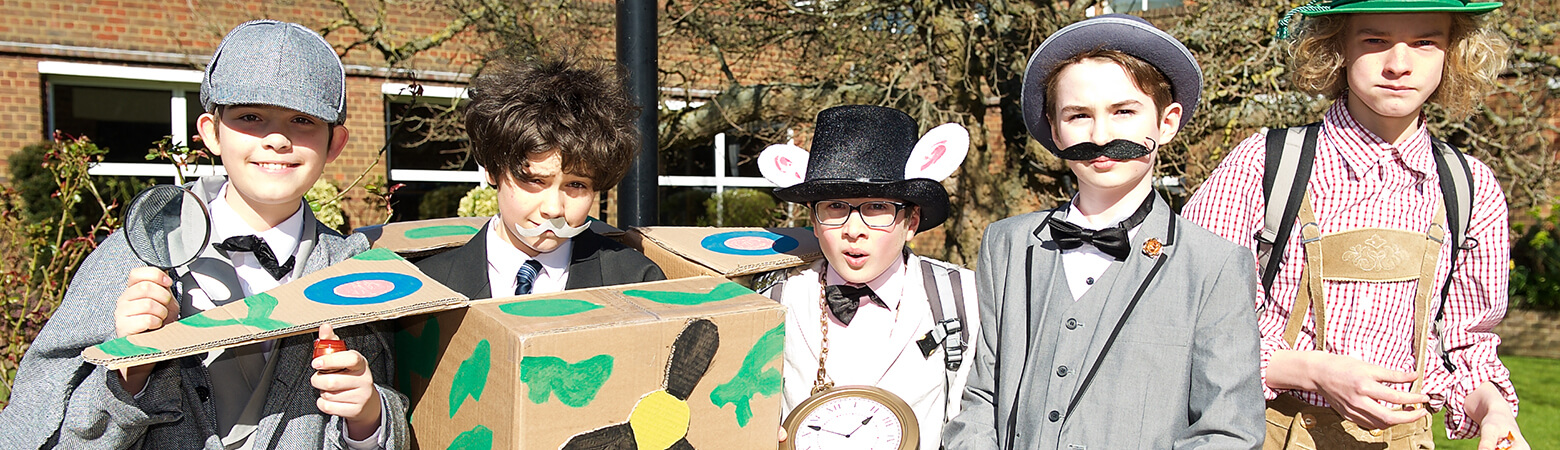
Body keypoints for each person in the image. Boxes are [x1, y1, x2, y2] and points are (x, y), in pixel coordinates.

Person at [0, 20, 406, 448]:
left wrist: (368, 420)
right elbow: (45, 429)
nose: (276, 139)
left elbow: (396, 412)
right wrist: (129, 374)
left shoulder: (354, 271)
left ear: (335, 143)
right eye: (250, 117)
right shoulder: (133, 257)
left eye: (302, 120)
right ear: (212, 132)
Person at [1182, 0, 1524, 448]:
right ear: (1336, 45)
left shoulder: (1469, 187)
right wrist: (1312, 371)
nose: (1398, 64)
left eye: (1425, 41)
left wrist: (1496, 411)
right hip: (1268, 433)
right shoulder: (1264, 165)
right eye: (1375, 40)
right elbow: (1192, 320)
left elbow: (1466, 345)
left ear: (1453, 51)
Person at [942, 14, 1264, 449]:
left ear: (1167, 122)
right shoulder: (1007, 244)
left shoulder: (1214, 265)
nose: (1099, 135)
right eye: (1078, 115)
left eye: (1124, 112)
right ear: (1054, 130)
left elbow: (1227, 431)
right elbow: (982, 397)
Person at [757, 104, 979, 450]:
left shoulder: (959, 296)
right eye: (835, 207)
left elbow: (979, 415)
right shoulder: (777, 300)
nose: (853, 230)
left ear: (911, 222)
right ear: (813, 220)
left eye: (877, 208)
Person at [415, 54, 664, 297]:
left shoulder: (637, 281)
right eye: (535, 181)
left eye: (576, 185)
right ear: (492, 170)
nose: (554, 209)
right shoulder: (427, 286)